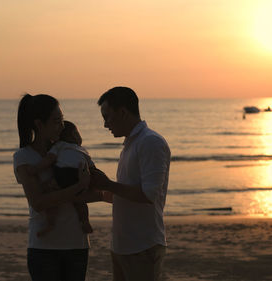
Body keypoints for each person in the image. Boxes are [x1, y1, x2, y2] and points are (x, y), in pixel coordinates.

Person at [91, 86, 171, 281]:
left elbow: (148, 195)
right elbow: (123, 194)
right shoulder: (131, 144)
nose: (105, 125)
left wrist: (108, 185)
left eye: (107, 117)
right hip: (123, 245)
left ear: (123, 112)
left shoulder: (150, 142)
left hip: (142, 246)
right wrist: (93, 191)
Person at [13, 94, 93, 281]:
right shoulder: (24, 157)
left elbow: (91, 188)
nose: (62, 126)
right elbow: (38, 203)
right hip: (44, 249)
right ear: (39, 125)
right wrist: (78, 187)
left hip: (77, 244)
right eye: (57, 121)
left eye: (62, 120)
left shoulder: (68, 150)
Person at [26, 120, 94, 237]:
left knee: (50, 191)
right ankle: (85, 221)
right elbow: (92, 167)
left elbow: (49, 159)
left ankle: (50, 223)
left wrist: (36, 169)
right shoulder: (82, 150)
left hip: (64, 174)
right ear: (74, 135)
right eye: (77, 133)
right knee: (80, 202)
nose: (78, 136)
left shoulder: (60, 145)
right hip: (78, 176)